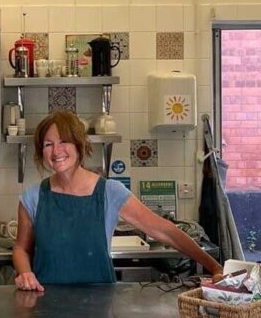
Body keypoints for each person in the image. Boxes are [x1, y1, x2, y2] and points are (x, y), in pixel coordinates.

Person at [12, 110, 223, 291]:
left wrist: (214, 267)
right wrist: (25, 273)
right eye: (48, 144)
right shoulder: (33, 197)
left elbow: (164, 230)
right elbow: (21, 248)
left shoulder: (109, 192)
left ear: (79, 145)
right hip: (45, 301)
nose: (56, 151)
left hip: (100, 302)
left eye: (63, 141)